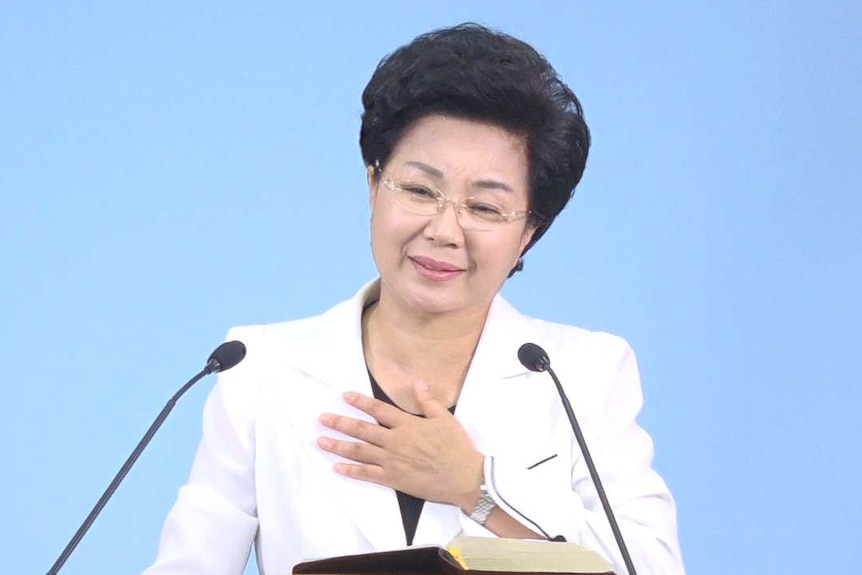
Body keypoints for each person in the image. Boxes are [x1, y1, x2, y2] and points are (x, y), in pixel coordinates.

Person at [142, 23, 684, 575]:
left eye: (485, 208)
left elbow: (651, 566)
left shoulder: (582, 373)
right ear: (374, 185)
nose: (445, 230)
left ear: (529, 233)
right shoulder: (259, 368)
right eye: (421, 191)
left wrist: (476, 486)